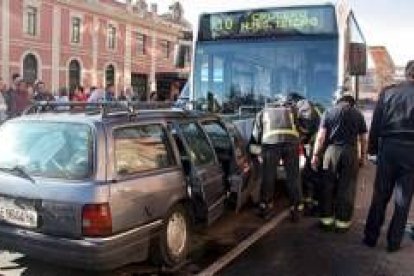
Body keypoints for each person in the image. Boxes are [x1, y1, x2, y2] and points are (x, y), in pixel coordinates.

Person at [364, 60, 414, 252]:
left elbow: (376, 123)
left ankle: (370, 237)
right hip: (411, 153)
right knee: (403, 200)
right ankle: (393, 243)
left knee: (380, 195)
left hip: (389, 149)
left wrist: (372, 150)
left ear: (406, 74)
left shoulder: (388, 92)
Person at [312, 93, 367, 232]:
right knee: (347, 188)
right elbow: (363, 139)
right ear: (351, 104)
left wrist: (316, 155)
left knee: (327, 186)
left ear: (339, 102)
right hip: (350, 152)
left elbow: (321, 137)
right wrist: (363, 157)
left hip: (331, 152)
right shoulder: (358, 114)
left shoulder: (329, 112)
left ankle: (326, 221)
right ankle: (342, 224)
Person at [250, 97, 302, 221]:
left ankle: (266, 208)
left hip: (270, 145)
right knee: (293, 177)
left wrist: (256, 149)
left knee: (268, 177)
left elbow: (256, 135)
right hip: (291, 144)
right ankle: (296, 209)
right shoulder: (291, 110)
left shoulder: (263, 112)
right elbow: (299, 127)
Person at [288, 92, 324, 215]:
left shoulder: (304, 106)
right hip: (316, 143)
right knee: (311, 173)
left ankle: (314, 204)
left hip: (315, 144)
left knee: (311, 173)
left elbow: (307, 127)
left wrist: (300, 135)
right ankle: (311, 201)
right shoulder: (310, 105)